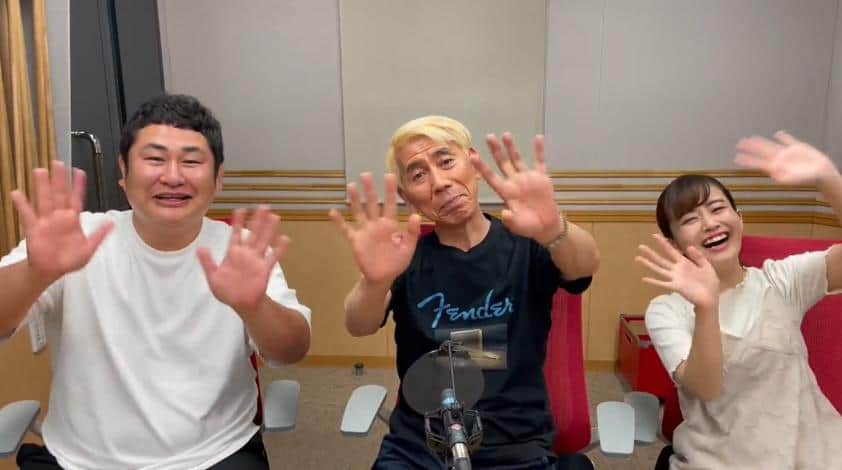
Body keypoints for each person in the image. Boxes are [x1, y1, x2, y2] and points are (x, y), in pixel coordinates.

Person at [0, 94, 312, 469]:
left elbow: (290, 351)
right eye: (154, 159)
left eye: (191, 161)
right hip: (80, 461)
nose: (173, 176)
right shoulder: (75, 239)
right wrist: (36, 273)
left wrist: (254, 306)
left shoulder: (241, 250)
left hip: (214, 455)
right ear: (123, 171)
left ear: (218, 179)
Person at [330, 115, 600, 469]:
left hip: (515, 444)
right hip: (420, 446)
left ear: (473, 162)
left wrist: (553, 228)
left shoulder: (525, 243)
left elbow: (583, 266)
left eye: (446, 162)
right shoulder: (406, 258)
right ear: (407, 197)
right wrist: (374, 280)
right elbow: (359, 324)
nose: (440, 183)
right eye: (418, 175)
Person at [638, 131, 842, 469]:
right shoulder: (667, 310)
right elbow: (706, 387)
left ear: (739, 218)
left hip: (810, 455)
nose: (709, 223)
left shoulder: (782, 281)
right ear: (674, 244)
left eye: (718, 208)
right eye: (690, 220)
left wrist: (828, 178)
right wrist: (706, 306)